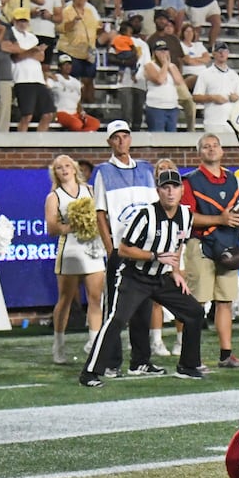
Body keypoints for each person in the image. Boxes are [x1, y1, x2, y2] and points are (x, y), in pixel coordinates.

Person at [78, 167, 206, 387]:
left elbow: (179, 244)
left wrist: (176, 273)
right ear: (158, 191)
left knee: (194, 311)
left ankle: (188, 365)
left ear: (181, 190)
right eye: (165, 188)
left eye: (174, 187)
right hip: (132, 275)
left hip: (160, 276)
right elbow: (124, 250)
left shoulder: (186, 215)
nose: (170, 192)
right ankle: (90, 372)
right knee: (117, 319)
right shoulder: (145, 215)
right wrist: (155, 256)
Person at [92, 121, 161, 375]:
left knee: (143, 305)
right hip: (121, 251)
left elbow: (155, 209)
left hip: (144, 251)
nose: (121, 141)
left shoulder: (145, 169)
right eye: (116, 138)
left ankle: (140, 360)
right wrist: (111, 249)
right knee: (116, 311)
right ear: (110, 142)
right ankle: (111, 362)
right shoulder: (103, 172)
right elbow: (101, 214)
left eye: (125, 136)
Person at [181, 133, 239, 370]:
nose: (211, 149)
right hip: (201, 245)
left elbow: (237, 213)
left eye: (215, 145)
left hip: (228, 244)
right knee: (197, 304)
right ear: (199, 153)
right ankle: (192, 358)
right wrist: (219, 219)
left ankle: (226, 354)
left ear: (222, 151)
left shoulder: (232, 180)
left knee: (225, 301)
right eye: (206, 146)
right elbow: (187, 217)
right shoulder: (190, 180)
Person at [45, 153, 105, 366]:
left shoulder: (90, 191)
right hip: (69, 249)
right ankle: (58, 344)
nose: (64, 169)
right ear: (56, 172)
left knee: (96, 297)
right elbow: (52, 228)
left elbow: (102, 217)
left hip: (93, 249)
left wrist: (93, 225)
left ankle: (94, 343)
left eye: (67, 165)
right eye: (59, 167)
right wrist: (76, 225)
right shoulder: (54, 197)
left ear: (74, 168)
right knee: (66, 299)